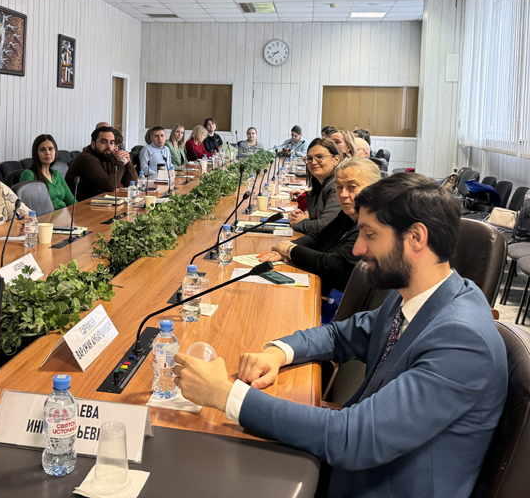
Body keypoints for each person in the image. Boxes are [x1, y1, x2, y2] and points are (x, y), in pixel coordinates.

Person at [173, 173, 508, 498]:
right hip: (350, 469)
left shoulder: (462, 340)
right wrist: (278, 352)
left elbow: (355, 438)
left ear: (416, 238)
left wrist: (224, 395)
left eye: (370, 235)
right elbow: (340, 336)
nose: (358, 249)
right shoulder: (415, 295)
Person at [259, 158, 382, 296]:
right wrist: (285, 249)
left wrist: (291, 250)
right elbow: (319, 236)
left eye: (352, 187)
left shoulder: (372, 226)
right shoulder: (349, 213)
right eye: (339, 187)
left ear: (375, 188)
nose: (343, 194)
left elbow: (330, 265)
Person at [65, 126, 138, 201]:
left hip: (102, 202)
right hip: (82, 205)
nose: (109, 146)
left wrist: (127, 162)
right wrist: (120, 162)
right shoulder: (86, 158)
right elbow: (110, 185)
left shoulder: (109, 155)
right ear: (93, 144)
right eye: (103, 142)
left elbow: (132, 183)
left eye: (112, 143)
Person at [289, 138, 342, 235]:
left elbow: (325, 227)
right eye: (309, 158)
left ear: (336, 160)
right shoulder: (320, 184)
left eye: (320, 157)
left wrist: (301, 222)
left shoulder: (338, 186)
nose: (313, 162)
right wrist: (301, 216)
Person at [19, 134, 75, 210]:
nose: (47, 153)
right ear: (36, 153)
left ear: (55, 151)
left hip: (64, 213)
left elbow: (71, 200)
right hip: (45, 216)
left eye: (50, 149)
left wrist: (79, 211)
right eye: (42, 150)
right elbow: (26, 206)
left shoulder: (56, 174)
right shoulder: (29, 174)